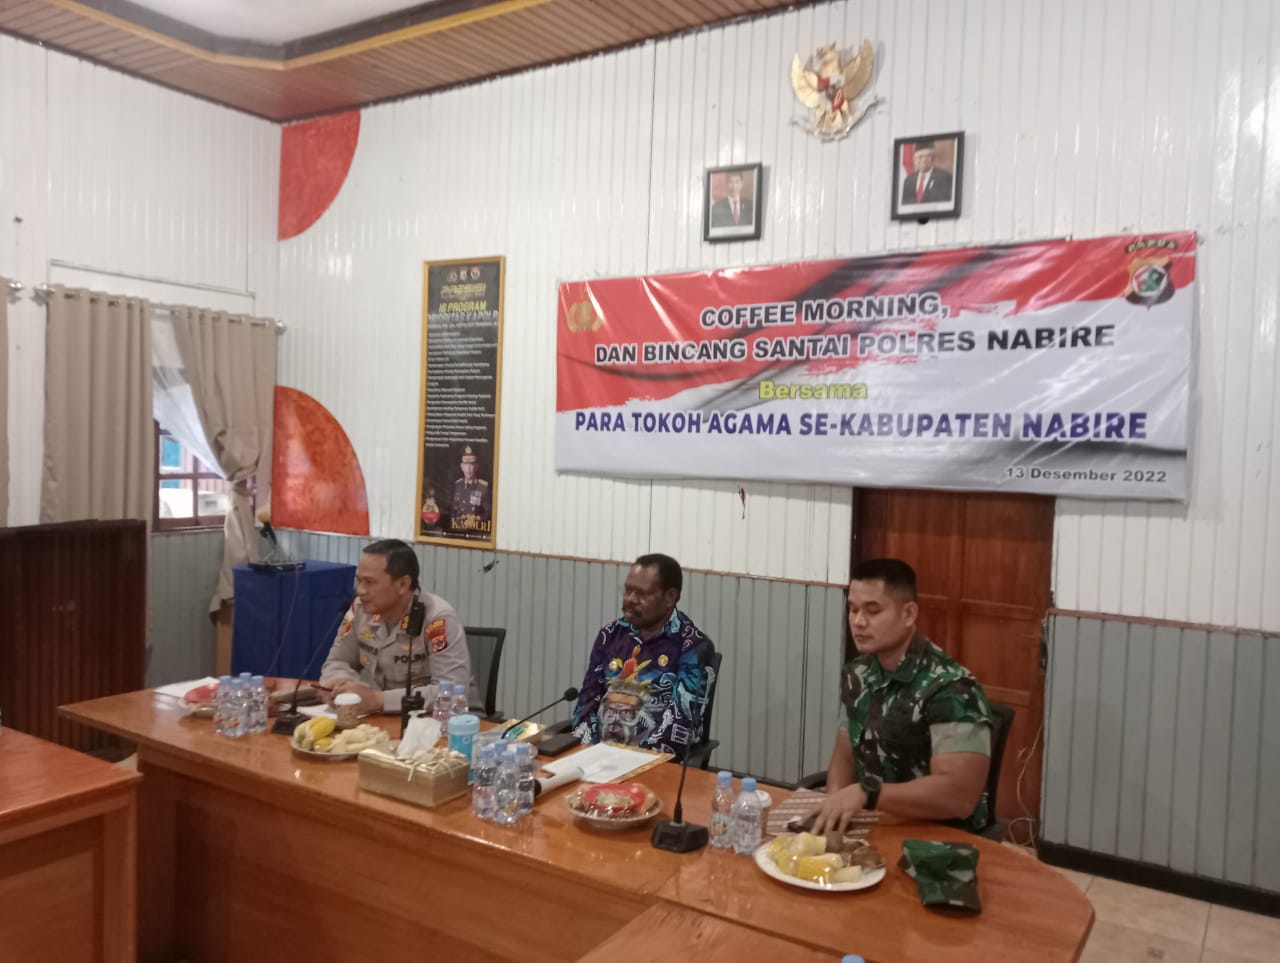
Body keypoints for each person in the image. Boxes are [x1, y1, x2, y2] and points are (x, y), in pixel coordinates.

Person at [808, 558, 993, 834]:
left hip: (940, 840)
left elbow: (958, 797)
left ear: (908, 614)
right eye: (853, 609)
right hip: (876, 826)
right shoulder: (858, 673)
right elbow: (845, 757)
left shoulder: (950, 687)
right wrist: (834, 810)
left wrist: (868, 793)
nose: (858, 622)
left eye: (872, 611)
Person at [571, 554, 716, 759]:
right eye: (627, 590)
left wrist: (632, 759)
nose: (630, 599)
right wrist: (585, 752)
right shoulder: (610, 635)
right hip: (597, 756)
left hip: (653, 762)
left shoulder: (692, 647)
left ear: (670, 597)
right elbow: (587, 703)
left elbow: (681, 724)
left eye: (641, 594)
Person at [319, 538, 476, 714]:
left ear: (403, 584)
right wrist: (341, 683)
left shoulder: (437, 619)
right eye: (359, 581)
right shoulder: (360, 609)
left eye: (369, 582)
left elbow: (451, 693)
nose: (360, 590)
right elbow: (338, 660)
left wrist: (378, 700)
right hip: (378, 717)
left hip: (438, 721)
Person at [451, 446, 491, 523]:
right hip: (458, 527)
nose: (468, 468)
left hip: (475, 527)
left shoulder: (483, 487)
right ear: (462, 466)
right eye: (466, 464)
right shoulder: (458, 485)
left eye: (471, 464)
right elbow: (453, 511)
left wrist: (476, 519)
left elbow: (488, 513)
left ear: (476, 466)